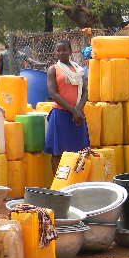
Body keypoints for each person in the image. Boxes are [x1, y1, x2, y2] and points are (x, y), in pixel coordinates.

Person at [45, 40, 90, 173]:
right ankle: (59, 184)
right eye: (58, 50)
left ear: (70, 51)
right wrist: (73, 111)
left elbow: (86, 91)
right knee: (58, 152)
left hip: (78, 115)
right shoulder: (53, 69)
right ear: (55, 52)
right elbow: (53, 93)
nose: (61, 52)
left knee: (80, 152)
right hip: (61, 115)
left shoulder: (79, 70)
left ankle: (76, 182)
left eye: (64, 49)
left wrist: (78, 109)